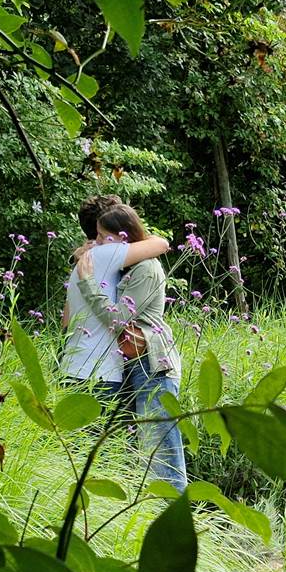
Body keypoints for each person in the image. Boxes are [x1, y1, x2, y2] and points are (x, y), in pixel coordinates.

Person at [75, 202, 187, 495]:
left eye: (102, 237)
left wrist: (88, 285)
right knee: (138, 448)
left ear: (123, 237)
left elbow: (118, 319)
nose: (96, 243)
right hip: (135, 367)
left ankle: (176, 517)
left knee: (162, 452)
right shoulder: (126, 268)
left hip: (154, 368)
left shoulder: (146, 268)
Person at [59, 195, 169, 397]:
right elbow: (161, 244)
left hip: (72, 365)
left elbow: (65, 321)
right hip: (99, 373)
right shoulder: (106, 254)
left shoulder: (83, 261)